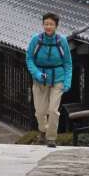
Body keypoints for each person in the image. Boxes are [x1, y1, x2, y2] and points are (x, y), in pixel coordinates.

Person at [26, 12, 72, 148]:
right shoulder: (36, 40)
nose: (48, 27)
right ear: (43, 25)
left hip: (58, 78)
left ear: (56, 26)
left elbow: (68, 63)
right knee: (40, 112)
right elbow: (29, 58)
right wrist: (37, 73)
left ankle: (51, 138)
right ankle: (42, 130)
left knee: (53, 110)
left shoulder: (61, 41)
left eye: (51, 24)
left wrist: (67, 81)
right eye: (46, 24)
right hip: (40, 78)